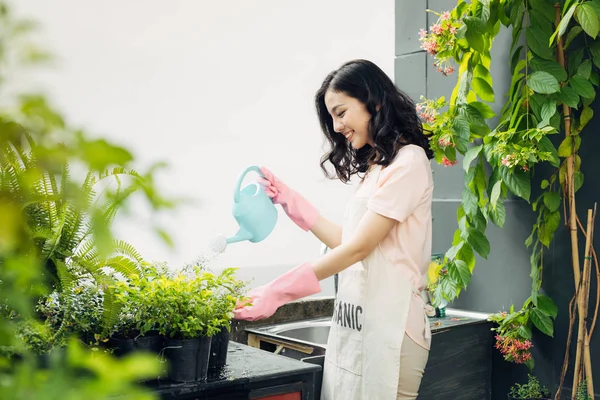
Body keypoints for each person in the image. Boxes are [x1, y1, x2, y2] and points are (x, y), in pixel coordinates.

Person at [233, 59, 435, 400]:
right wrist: (291, 202)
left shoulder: (409, 162)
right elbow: (353, 243)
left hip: (393, 325)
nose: (336, 125)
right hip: (360, 321)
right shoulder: (376, 168)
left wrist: (278, 292)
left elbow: (357, 250)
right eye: (331, 117)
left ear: (374, 102)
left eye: (341, 112)